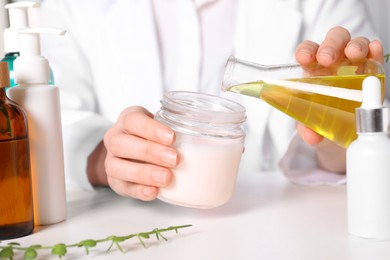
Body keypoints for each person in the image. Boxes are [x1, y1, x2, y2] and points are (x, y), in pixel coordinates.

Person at [38, 0, 384, 201]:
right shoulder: (69, 7)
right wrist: (106, 157)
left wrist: (342, 128)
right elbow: (50, 122)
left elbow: (364, 146)